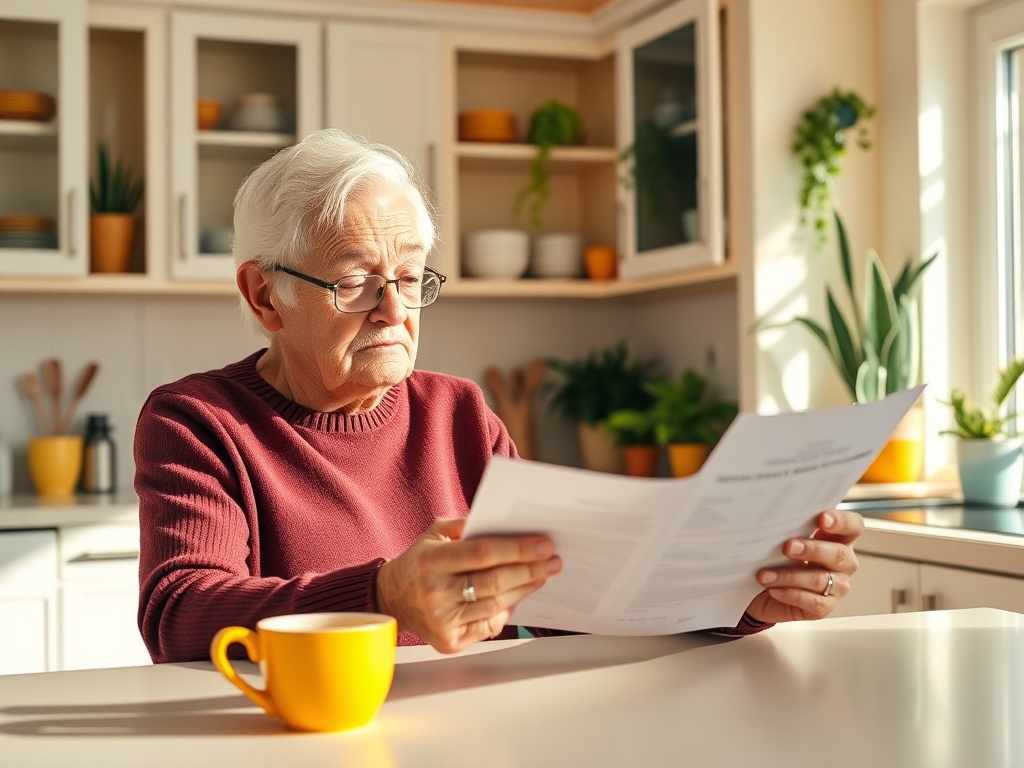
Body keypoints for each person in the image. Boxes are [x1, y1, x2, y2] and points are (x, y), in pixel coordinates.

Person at [135, 129, 864, 664]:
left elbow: (560, 605)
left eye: (410, 278)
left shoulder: (457, 414)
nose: (394, 310)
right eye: (356, 282)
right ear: (266, 296)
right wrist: (382, 596)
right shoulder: (198, 422)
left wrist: (738, 600)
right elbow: (178, 615)